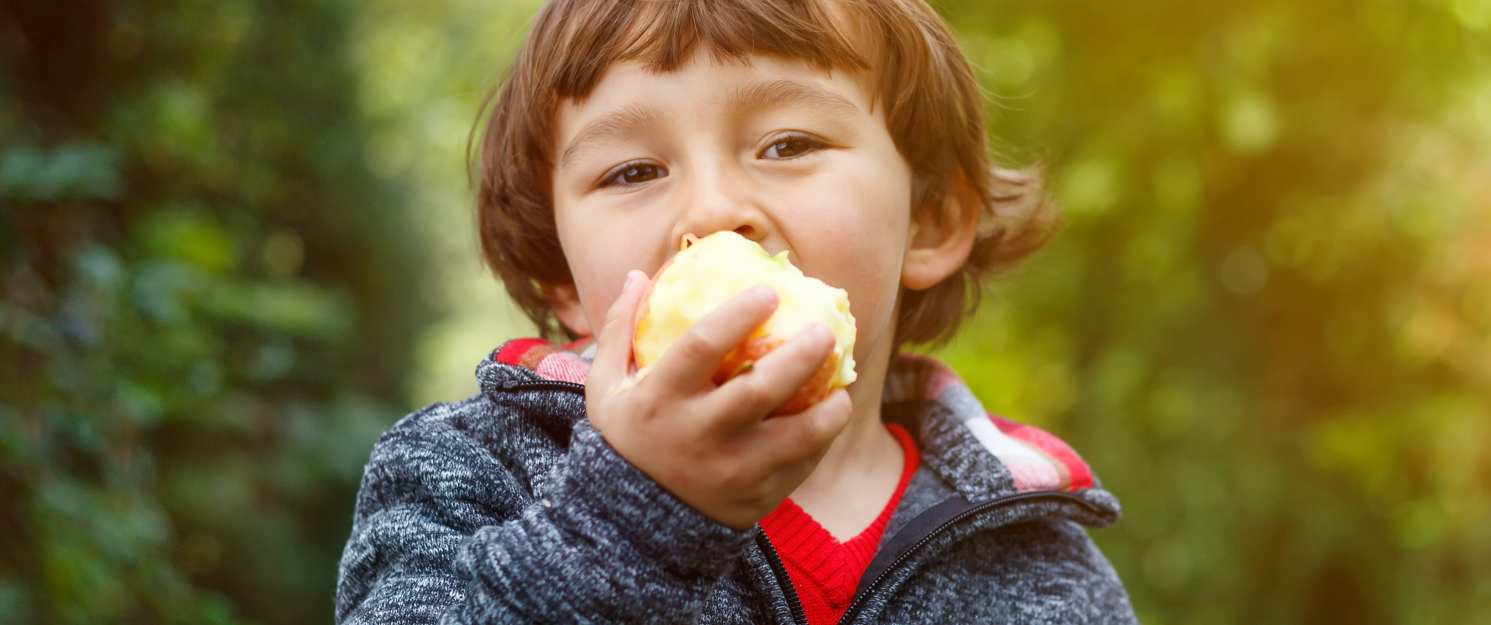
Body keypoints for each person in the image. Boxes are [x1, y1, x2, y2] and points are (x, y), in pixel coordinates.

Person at [334, 0, 1134, 622]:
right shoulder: (474, 472)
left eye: (788, 144)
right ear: (564, 279)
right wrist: (629, 517)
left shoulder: (1036, 556)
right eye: (634, 169)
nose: (713, 210)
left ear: (929, 221)